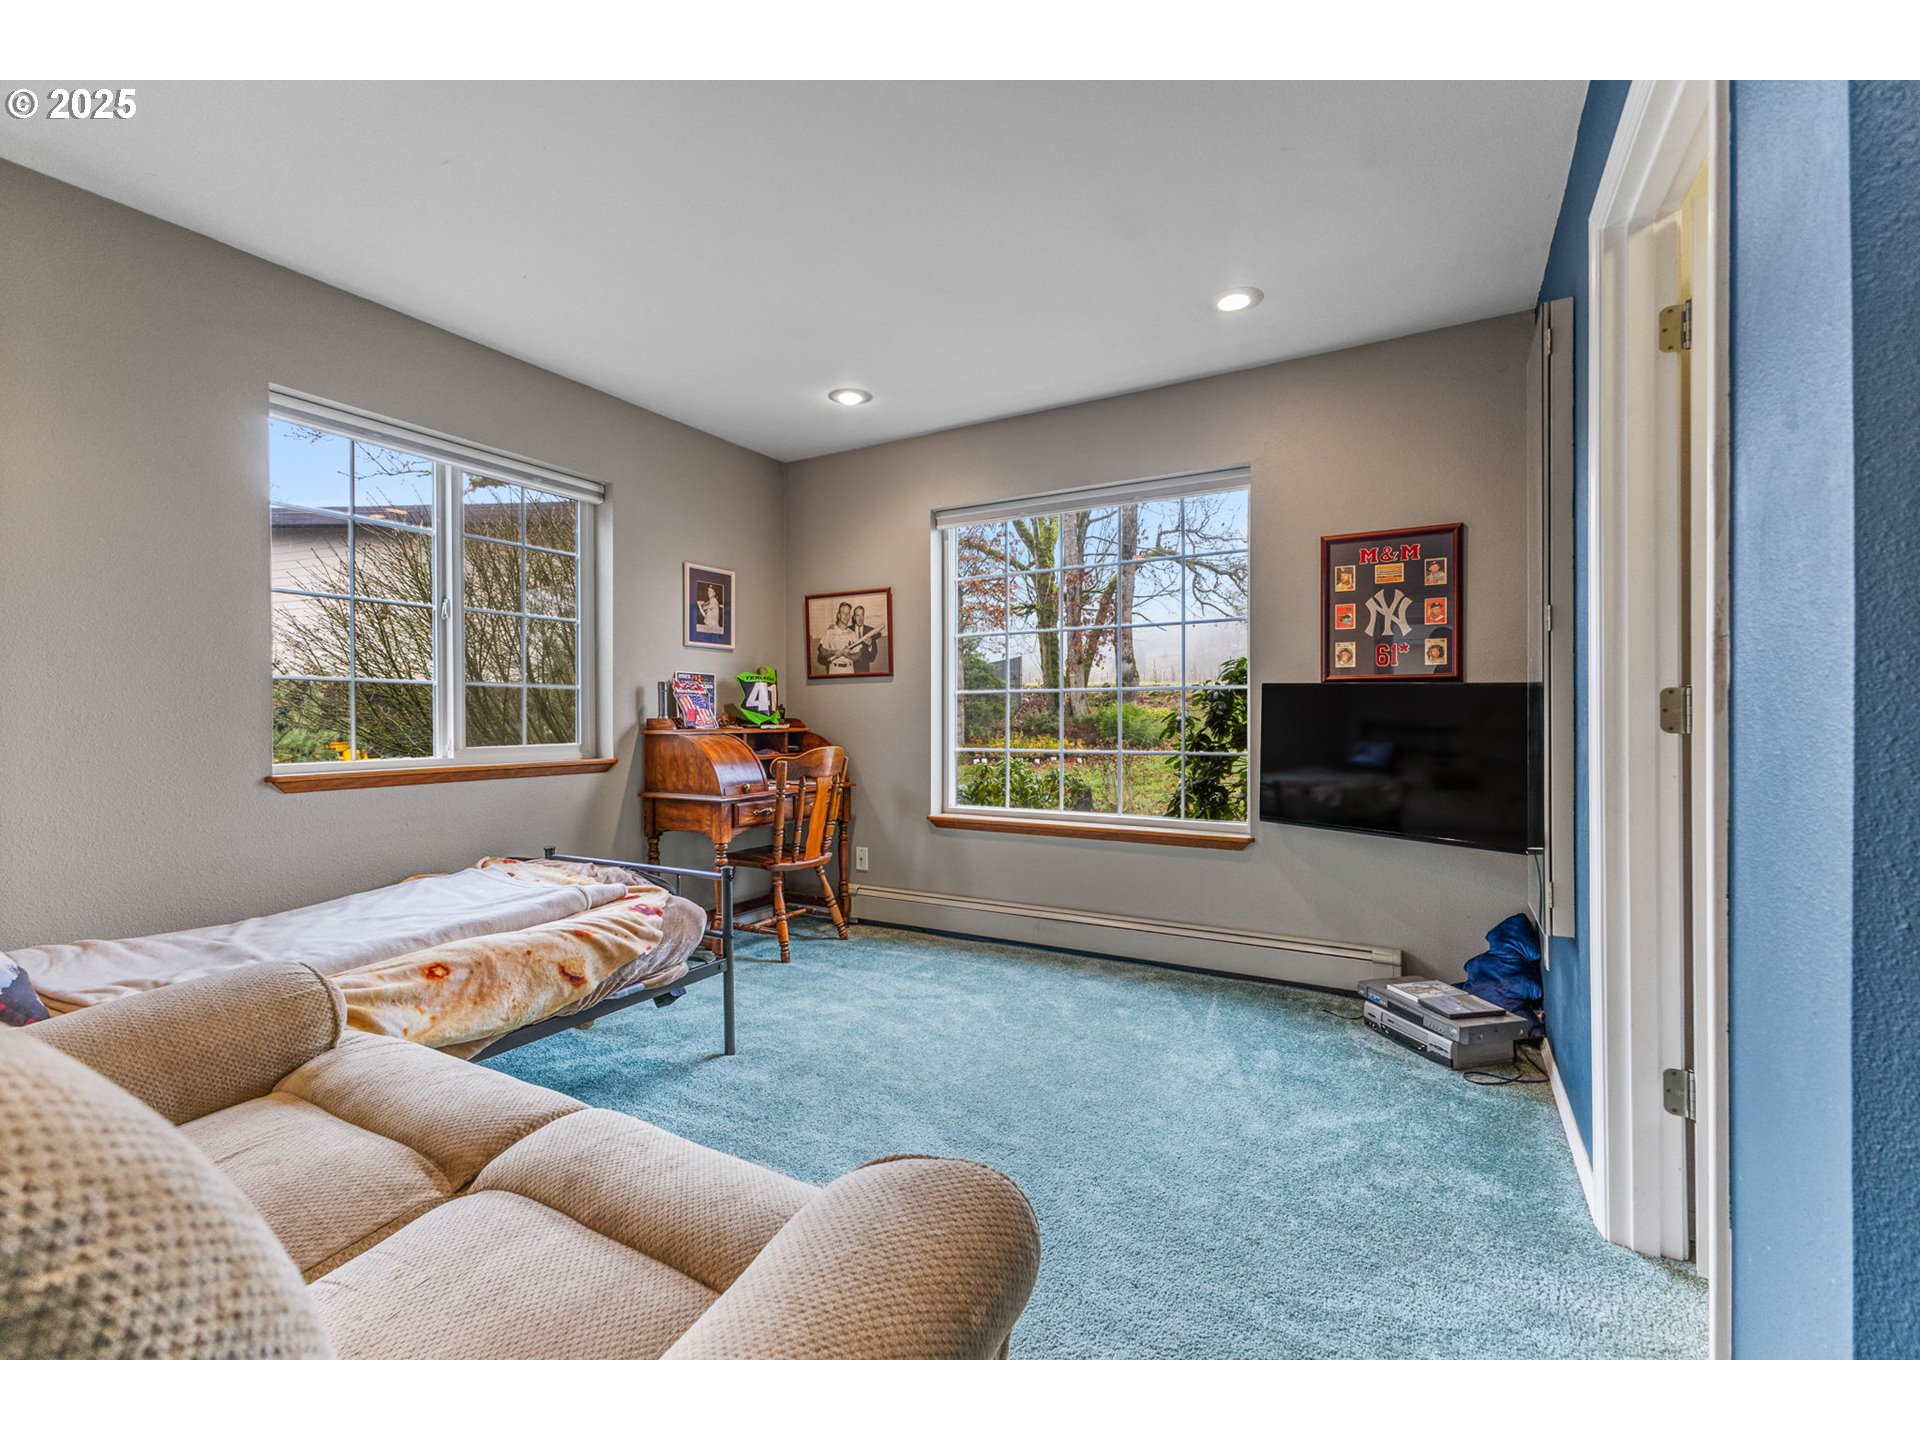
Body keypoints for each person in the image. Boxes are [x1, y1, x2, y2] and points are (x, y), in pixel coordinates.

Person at [816, 602, 859, 674]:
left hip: (850, 670)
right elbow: (821, 653)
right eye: (843, 613)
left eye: (848, 613)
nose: (846, 616)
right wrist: (833, 652)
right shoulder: (830, 631)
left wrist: (848, 655)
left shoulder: (852, 634)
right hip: (834, 669)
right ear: (838, 615)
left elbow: (858, 655)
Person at [849, 604, 887, 674]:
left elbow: (872, 658)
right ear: (854, 617)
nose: (860, 618)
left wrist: (870, 645)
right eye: (858, 615)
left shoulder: (870, 631)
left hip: (864, 669)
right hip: (850, 668)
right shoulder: (848, 630)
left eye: (862, 615)